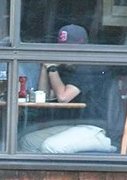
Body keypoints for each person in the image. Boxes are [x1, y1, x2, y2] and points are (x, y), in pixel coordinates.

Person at [19, 24, 121, 154]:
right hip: (76, 126)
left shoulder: (90, 66)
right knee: (28, 141)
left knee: (51, 146)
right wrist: (45, 67)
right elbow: (44, 97)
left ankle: (55, 175)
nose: (64, 53)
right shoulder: (68, 68)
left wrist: (52, 69)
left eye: (69, 49)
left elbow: (63, 98)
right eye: (62, 48)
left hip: (99, 131)